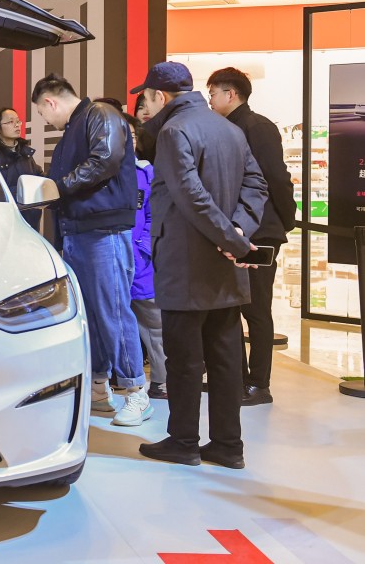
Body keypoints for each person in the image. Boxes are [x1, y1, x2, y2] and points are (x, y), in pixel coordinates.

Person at [133, 62, 268, 470]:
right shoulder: (229, 128)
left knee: (185, 359)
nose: (146, 105)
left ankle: (184, 441)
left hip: (186, 264)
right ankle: (228, 445)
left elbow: (189, 196)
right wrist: (239, 233)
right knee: (226, 358)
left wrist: (232, 239)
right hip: (224, 267)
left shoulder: (175, 131)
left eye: (148, 97)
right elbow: (256, 185)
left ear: (161, 96)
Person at [32, 74, 149, 427]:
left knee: (113, 311)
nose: (44, 121)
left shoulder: (100, 114)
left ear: (50, 102)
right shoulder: (77, 125)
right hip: (80, 230)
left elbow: (105, 160)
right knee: (93, 316)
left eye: (41, 113)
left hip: (104, 231)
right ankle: (99, 389)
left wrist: (58, 187)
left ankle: (136, 392)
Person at [207, 67, 297, 406]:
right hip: (237, 230)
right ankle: (237, 379)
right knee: (234, 306)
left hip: (261, 231)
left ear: (231, 94)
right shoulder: (228, 127)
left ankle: (259, 384)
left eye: (213, 93)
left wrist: (285, 220)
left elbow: (276, 177)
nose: (211, 100)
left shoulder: (257, 127)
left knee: (256, 309)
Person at [114, 100, 167, 400]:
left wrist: (144, 246)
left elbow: (153, 214)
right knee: (113, 320)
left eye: (134, 136)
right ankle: (118, 379)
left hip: (141, 262)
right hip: (109, 260)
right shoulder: (100, 172)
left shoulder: (147, 173)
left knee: (154, 323)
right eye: (125, 135)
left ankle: (161, 380)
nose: (131, 141)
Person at [0, 108, 44, 230]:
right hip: (2, 224)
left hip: (29, 222)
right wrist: (23, 193)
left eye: (18, 121)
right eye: (10, 122)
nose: (17, 125)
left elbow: (39, 178)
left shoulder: (25, 153)